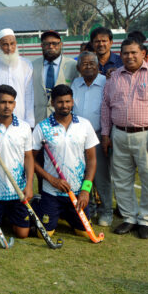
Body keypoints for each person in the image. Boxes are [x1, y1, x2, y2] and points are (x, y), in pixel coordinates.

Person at [101, 37, 148, 239]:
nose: (130, 56)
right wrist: (105, 134)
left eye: (134, 52)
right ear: (121, 55)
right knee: (121, 179)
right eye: (125, 53)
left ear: (143, 53)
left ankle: (147, 220)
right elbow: (106, 106)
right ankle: (129, 217)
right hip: (119, 134)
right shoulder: (114, 77)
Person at [32, 84, 98, 238]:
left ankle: (66, 215)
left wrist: (85, 190)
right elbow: (29, 159)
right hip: (51, 193)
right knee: (44, 234)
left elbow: (92, 160)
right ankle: (38, 203)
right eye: (60, 102)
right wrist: (52, 180)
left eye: (68, 101)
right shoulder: (42, 127)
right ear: (52, 103)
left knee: (84, 233)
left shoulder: (84, 125)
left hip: (77, 193)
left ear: (73, 102)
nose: (64, 105)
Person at [0, 84, 34, 238]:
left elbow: (29, 157)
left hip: (17, 191)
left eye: (10, 102)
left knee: (22, 234)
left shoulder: (24, 127)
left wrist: (29, 185)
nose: (7, 106)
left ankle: (10, 218)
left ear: (15, 104)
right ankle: (2, 217)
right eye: (3, 102)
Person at [71, 51, 113, 227]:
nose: (88, 66)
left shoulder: (106, 82)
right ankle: (91, 207)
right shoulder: (75, 83)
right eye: (84, 64)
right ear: (78, 67)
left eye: (92, 63)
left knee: (101, 177)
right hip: (78, 137)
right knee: (83, 174)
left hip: (98, 135)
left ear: (98, 66)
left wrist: (106, 135)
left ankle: (106, 211)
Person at [0, 28, 34, 126]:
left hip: (21, 119)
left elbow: (29, 95)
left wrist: (30, 122)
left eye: (12, 44)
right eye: (5, 44)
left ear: (16, 44)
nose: (9, 48)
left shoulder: (26, 65)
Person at [32, 30, 78, 125]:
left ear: (61, 44)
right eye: (47, 44)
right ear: (41, 46)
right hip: (38, 120)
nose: (51, 46)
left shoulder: (73, 65)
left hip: (63, 121)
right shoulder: (32, 65)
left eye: (55, 43)